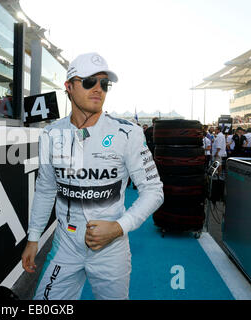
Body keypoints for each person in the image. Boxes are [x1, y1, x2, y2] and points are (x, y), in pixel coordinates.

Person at [21, 52, 164, 300]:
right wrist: (33, 238)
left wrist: (119, 227)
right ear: (69, 87)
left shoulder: (126, 133)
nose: (98, 89)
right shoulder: (51, 134)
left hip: (112, 249)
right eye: (89, 82)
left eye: (104, 84)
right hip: (65, 244)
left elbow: (154, 191)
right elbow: (45, 189)